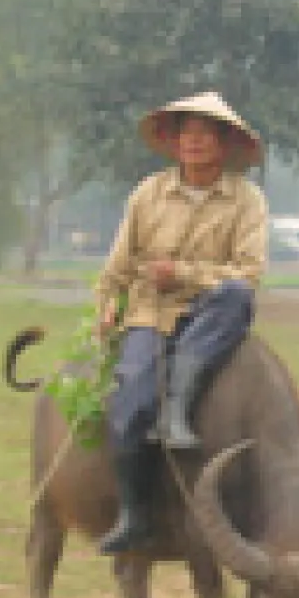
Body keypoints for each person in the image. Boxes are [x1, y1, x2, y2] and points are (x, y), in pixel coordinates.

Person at [93, 91, 268, 555]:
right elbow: (118, 267)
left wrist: (184, 274)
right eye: (186, 133)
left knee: (235, 294)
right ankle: (134, 514)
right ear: (173, 142)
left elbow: (247, 272)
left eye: (205, 134)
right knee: (130, 402)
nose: (194, 142)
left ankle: (177, 410)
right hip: (150, 311)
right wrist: (108, 306)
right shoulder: (148, 193)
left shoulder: (247, 201)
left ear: (224, 143)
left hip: (213, 314)